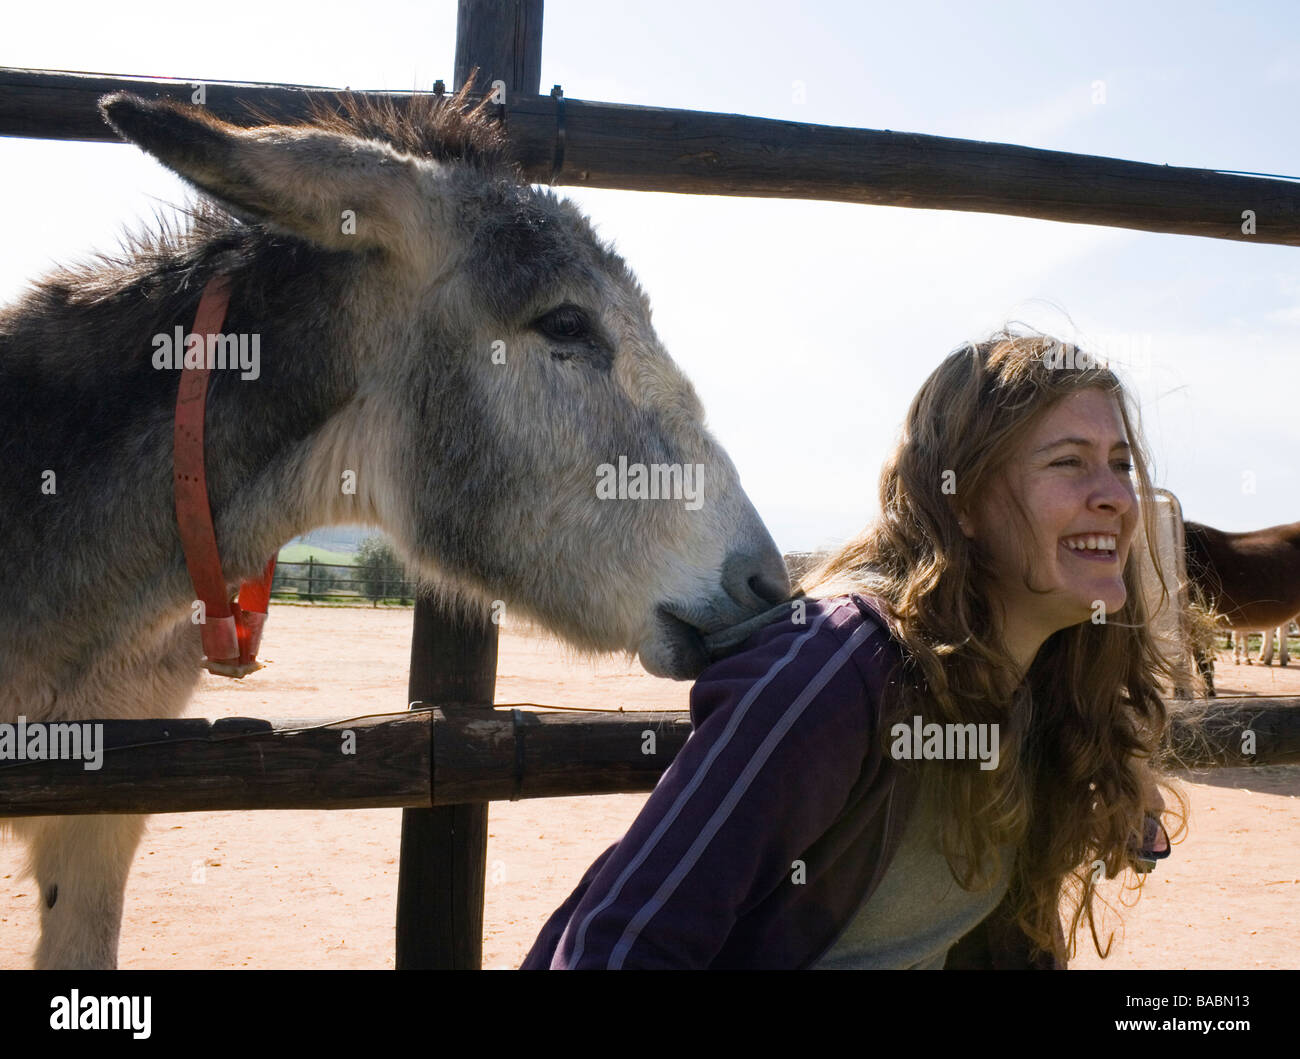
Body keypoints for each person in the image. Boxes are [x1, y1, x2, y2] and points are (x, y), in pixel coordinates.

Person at [521, 328, 1186, 970]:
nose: (1117, 498)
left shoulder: (1040, 693)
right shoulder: (837, 671)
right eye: (1069, 462)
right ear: (963, 503)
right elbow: (617, 946)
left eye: (1121, 464)